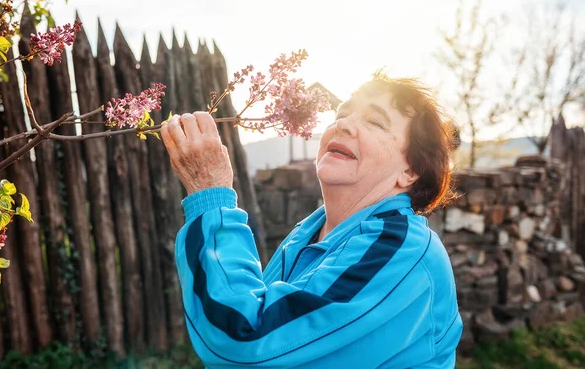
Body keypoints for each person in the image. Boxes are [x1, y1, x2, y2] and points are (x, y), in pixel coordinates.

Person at [160, 74, 462, 368]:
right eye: (343, 113)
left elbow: (247, 342)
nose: (343, 123)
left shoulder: (403, 249)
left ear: (411, 170)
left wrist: (211, 197)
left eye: (374, 121)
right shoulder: (309, 232)